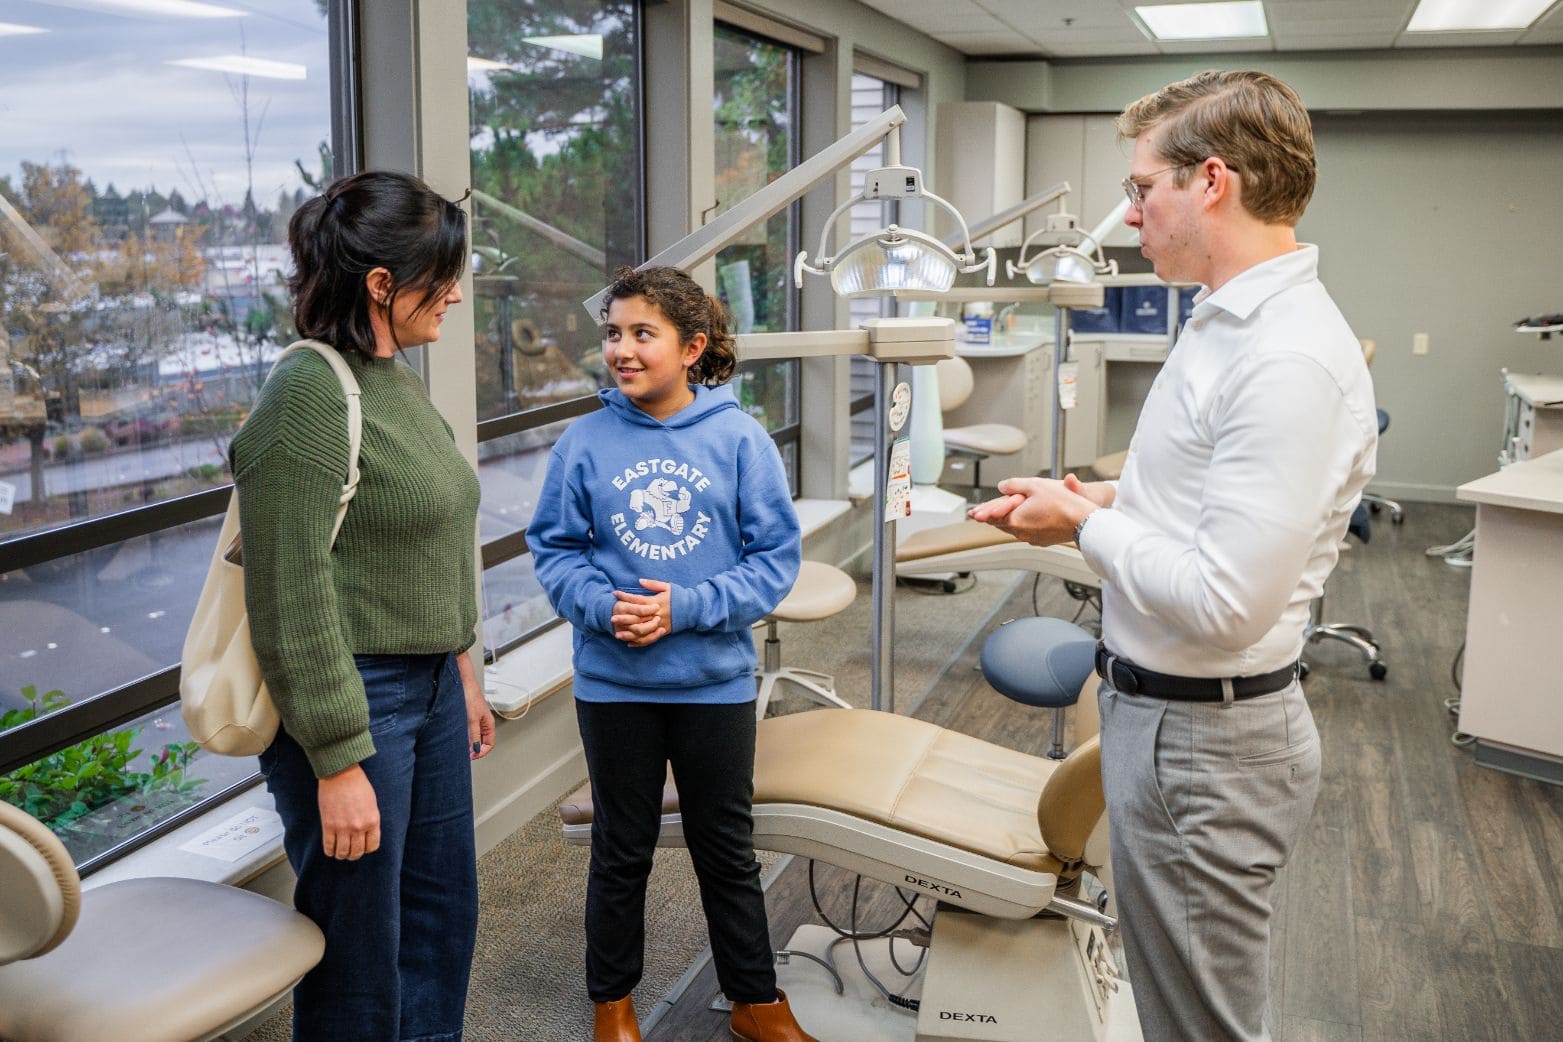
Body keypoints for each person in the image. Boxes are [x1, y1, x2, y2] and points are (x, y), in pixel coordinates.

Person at [969, 70, 1377, 1042]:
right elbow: (1200, 501)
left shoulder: (1282, 357)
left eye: (1143, 187)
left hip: (1210, 748)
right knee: (1178, 1009)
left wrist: (1078, 523)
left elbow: (1226, 599)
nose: (1130, 210)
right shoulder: (1222, 318)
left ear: (1214, 182)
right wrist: (1105, 497)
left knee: (1204, 1028)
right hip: (1166, 721)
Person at [231, 169, 495, 1042]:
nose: (454, 292)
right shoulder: (308, 393)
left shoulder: (397, 381)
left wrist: (463, 668)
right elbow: (288, 592)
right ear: (382, 284)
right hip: (353, 701)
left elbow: (435, 537)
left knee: (439, 919)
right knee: (360, 950)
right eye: (441, 274)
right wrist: (337, 760)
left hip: (426, 691)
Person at [527, 266, 815, 1042]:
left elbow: (772, 562)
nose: (620, 349)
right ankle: (611, 1007)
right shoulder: (583, 441)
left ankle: (756, 1002)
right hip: (614, 685)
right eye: (612, 333)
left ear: (691, 347)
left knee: (727, 849)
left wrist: (682, 608)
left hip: (712, 683)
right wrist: (601, 605)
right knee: (622, 851)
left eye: (640, 333)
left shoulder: (739, 440)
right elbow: (553, 551)